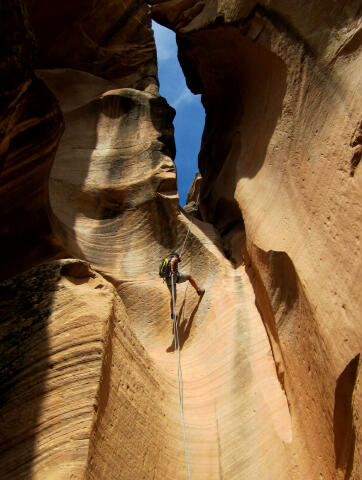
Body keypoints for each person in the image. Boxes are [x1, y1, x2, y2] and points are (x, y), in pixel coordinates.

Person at [164, 253, 205, 319]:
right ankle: (198, 290)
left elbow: (172, 262)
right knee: (189, 277)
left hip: (168, 281)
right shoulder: (174, 258)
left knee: (173, 297)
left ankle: (172, 314)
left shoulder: (167, 262)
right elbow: (173, 261)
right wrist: (172, 269)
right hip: (175, 277)